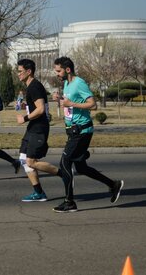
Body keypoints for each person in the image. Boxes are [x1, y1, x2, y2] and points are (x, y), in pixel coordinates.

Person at [51, 56, 124, 212]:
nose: (56, 74)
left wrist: (71, 103)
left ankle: (69, 202)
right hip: (73, 131)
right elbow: (70, 103)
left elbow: (93, 104)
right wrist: (61, 99)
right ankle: (113, 184)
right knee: (81, 167)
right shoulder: (66, 83)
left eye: (58, 71)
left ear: (67, 70)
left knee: (64, 163)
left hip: (82, 130)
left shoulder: (79, 83)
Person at [15, 59, 59, 202]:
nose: (18, 74)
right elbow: (38, 107)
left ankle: (63, 173)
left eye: (20, 71)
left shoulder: (34, 86)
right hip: (33, 127)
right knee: (23, 159)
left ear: (29, 72)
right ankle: (39, 192)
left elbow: (40, 109)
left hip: (38, 128)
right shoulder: (31, 86)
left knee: (31, 161)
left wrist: (25, 118)